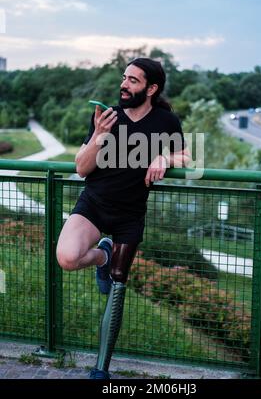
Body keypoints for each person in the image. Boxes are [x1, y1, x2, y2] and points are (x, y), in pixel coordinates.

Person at [56, 57, 191, 379]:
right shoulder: (107, 117)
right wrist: (100, 134)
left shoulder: (164, 120)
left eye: (133, 80)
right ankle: (103, 256)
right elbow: (82, 168)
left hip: (130, 215)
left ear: (151, 88)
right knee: (67, 257)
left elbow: (186, 155)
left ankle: (101, 367)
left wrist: (164, 156)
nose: (124, 84)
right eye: (124, 78)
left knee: (117, 290)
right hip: (94, 203)